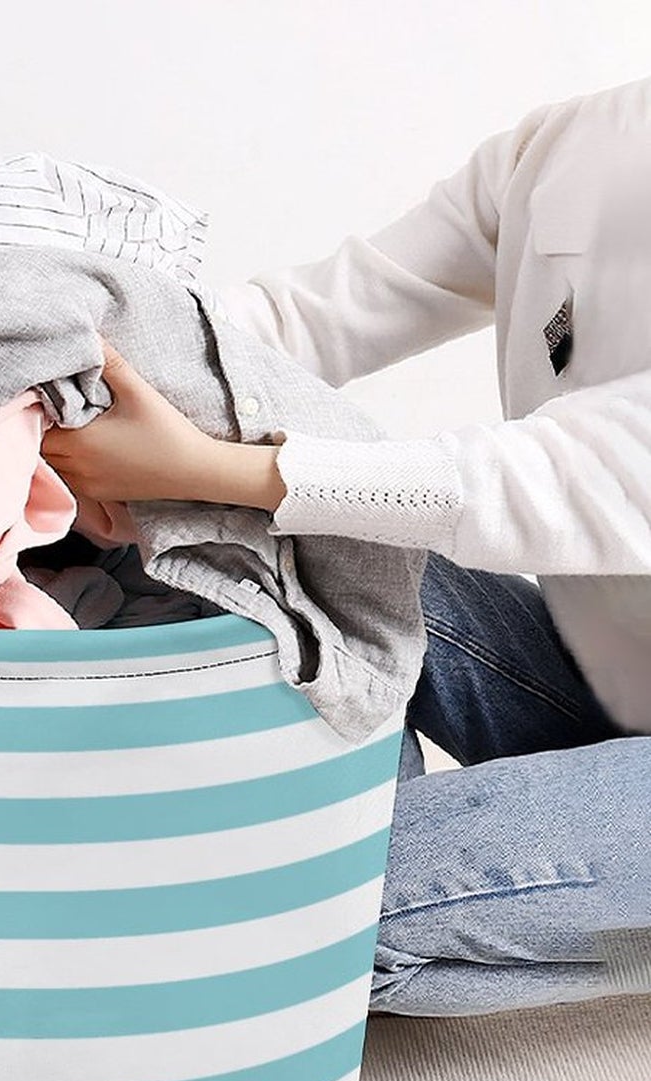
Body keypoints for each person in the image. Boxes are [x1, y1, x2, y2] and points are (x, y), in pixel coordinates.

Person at [42, 76, 651, 1016]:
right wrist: (66, 370)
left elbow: (565, 473)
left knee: (304, 902)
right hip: (611, 686)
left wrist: (212, 466)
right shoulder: (567, 147)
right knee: (269, 549)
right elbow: (310, 319)